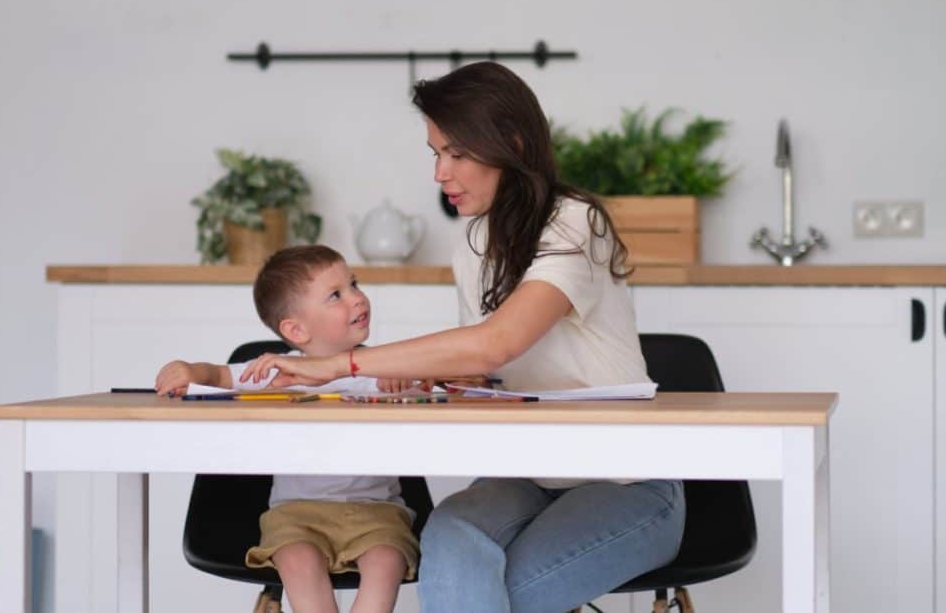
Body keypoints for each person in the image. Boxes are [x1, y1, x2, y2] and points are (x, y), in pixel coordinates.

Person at [239, 62, 686, 613]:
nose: (439, 174)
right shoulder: (475, 244)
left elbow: (497, 341)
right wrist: (434, 377)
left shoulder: (575, 222)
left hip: (627, 483)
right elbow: (483, 367)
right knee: (448, 547)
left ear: (510, 144)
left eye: (455, 154)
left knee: (484, 596)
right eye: (435, 154)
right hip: (523, 477)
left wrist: (340, 364)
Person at [154, 245, 419, 613]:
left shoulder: (384, 366)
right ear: (296, 329)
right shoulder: (277, 372)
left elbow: (434, 390)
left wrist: (406, 380)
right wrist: (189, 370)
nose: (357, 298)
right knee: (297, 562)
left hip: (377, 513)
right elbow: (217, 375)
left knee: (386, 563)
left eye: (354, 284)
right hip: (296, 515)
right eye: (336, 295)